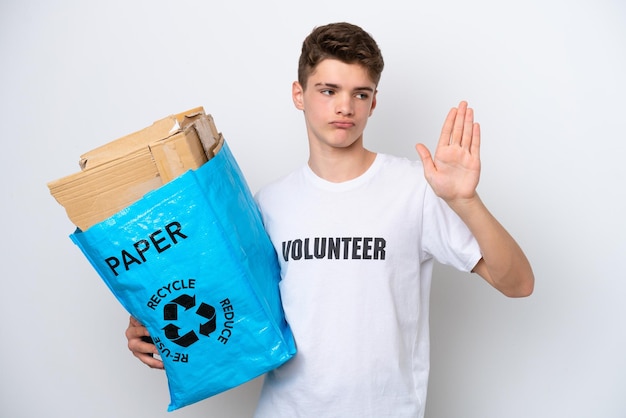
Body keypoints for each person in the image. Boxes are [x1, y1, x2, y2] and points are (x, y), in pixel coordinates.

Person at [126, 22, 534, 417]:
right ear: (298, 94)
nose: (345, 106)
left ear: (374, 102)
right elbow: (217, 301)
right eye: (328, 90)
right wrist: (151, 326)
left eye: (360, 94)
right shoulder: (268, 203)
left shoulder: (417, 189)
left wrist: (466, 200)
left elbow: (517, 283)